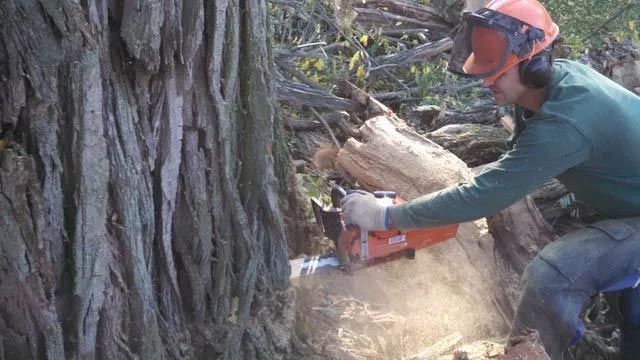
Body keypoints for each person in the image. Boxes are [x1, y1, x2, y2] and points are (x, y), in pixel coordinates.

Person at [339, 0, 640, 359]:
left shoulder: (567, 120)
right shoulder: (548, 92)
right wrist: (419, 211)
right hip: (625, 210)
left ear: (536, 67)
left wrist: (385, 217)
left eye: (497, 70)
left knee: (554, 273)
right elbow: (507, 172)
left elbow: (489, 194)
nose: (485, 79)